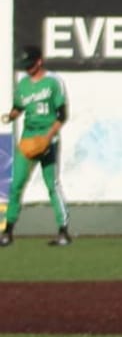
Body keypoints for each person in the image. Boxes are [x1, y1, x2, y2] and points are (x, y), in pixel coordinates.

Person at [4, 45, 73, 248]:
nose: (27, 69)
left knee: (52, 185)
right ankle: (7, 232)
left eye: (30, 65)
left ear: (39, 61)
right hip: (28, 139)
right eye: (25, 66)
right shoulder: (23, 84)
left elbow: (62, 115)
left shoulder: (53, 82)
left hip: (48, 139)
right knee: (16, 185)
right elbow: (18, 107)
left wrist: (48, 137)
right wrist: (10, 116)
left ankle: (63, 231)